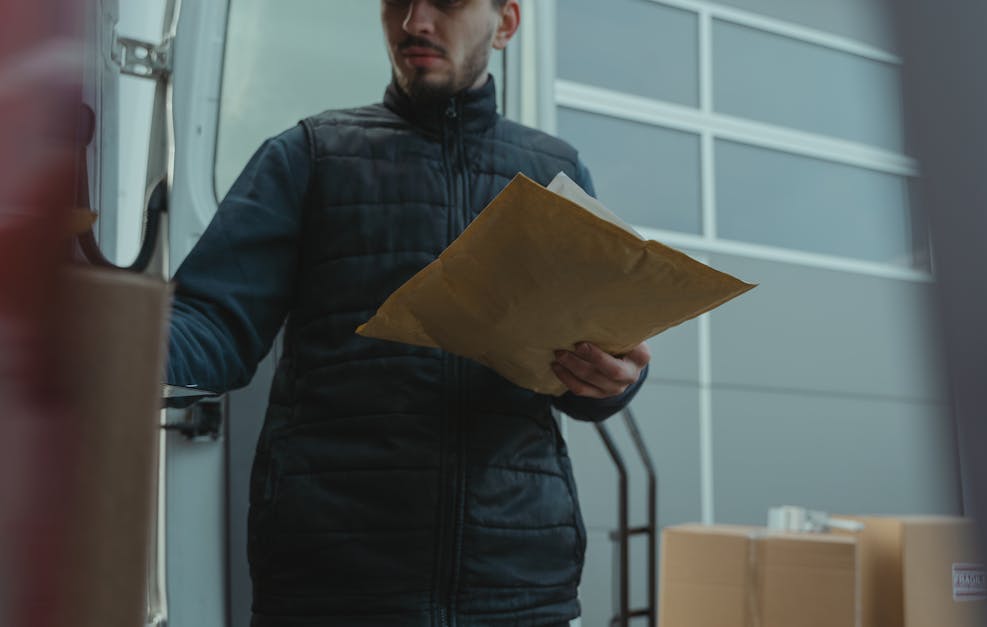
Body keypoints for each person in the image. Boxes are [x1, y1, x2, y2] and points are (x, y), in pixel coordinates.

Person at [166, 1, 650, 625]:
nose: (415, 22)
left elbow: (582, 367)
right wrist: (116, 346)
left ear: (505, 24)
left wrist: (611, 380)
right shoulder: (309, 157)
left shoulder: (554, 173)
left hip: (519, 586)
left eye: (445, 2)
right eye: (398, 1)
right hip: (336, 586)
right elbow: (213, 322)